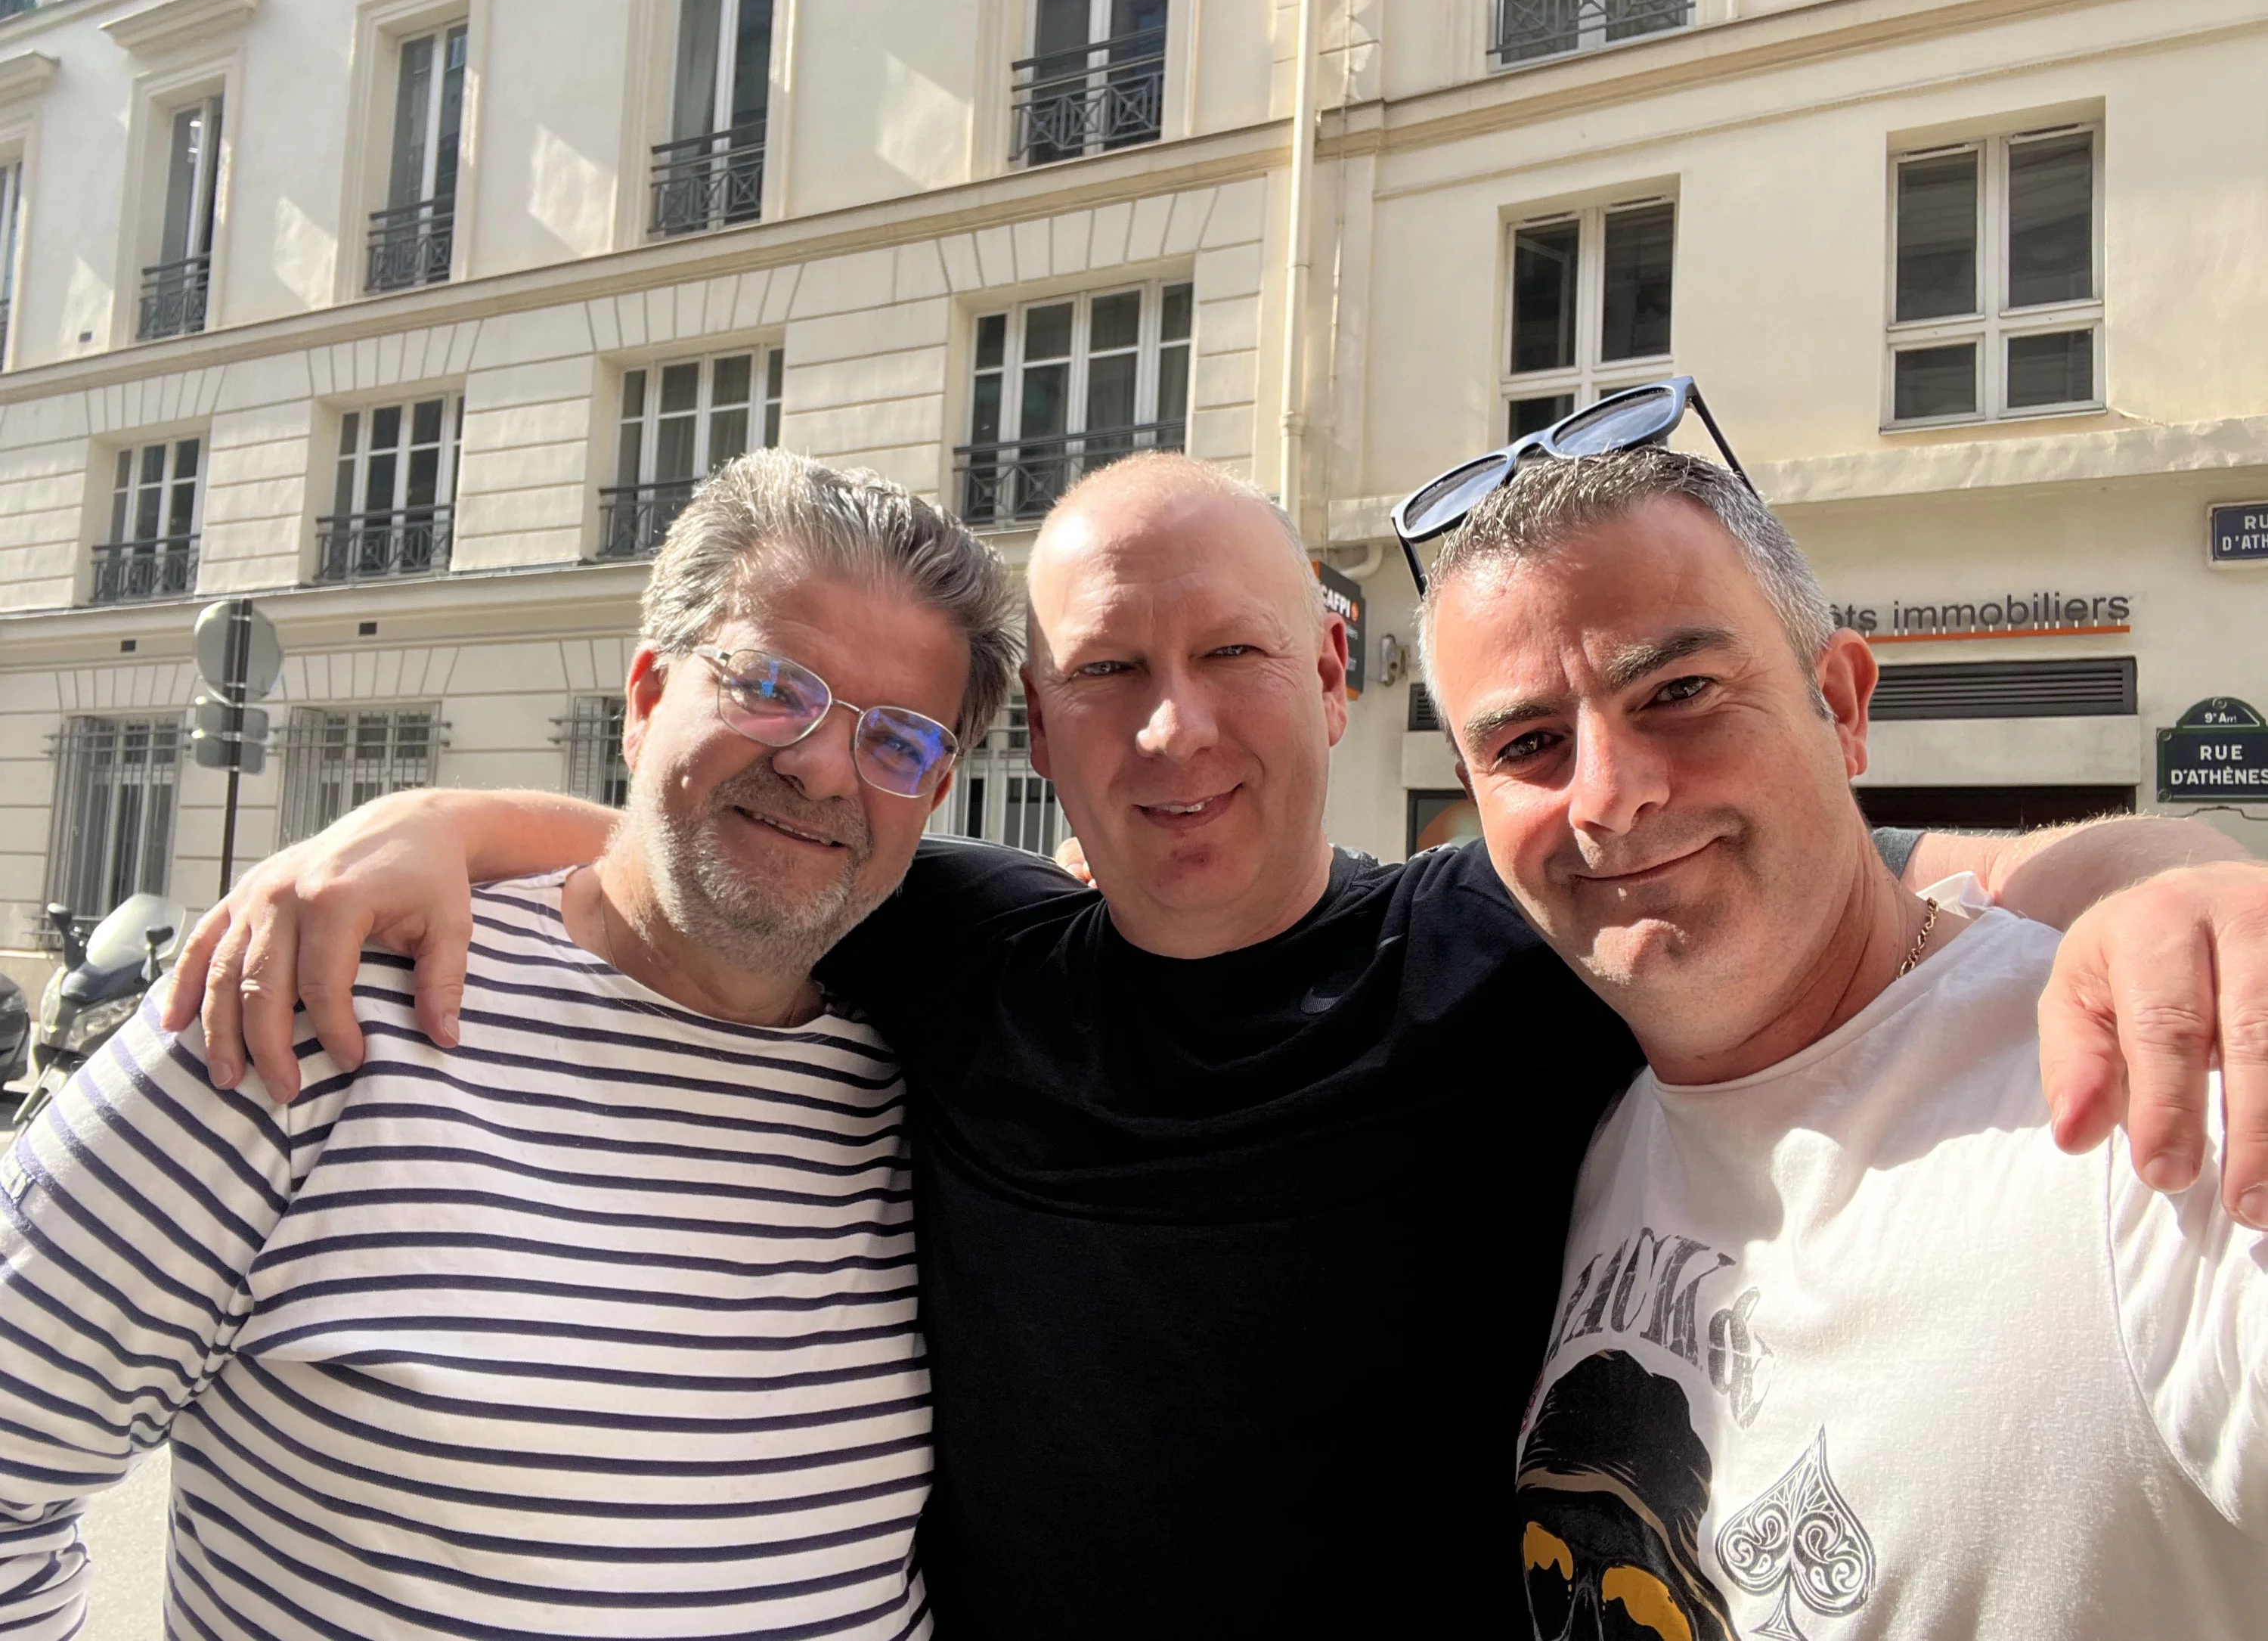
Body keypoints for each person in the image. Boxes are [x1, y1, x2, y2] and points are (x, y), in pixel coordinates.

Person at [166, 452, 2268, 1638]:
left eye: (1233, 653)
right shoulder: (958, 950)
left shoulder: (1525, 929)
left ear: (1334, 670)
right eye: (1108, 674)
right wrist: (414, 821)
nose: (1173, 730)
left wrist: (2191, 875)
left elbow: (1906, 879)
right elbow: (728, 835)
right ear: (1035, 727)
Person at [0, 452, 1018, 1639]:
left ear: (934, 792)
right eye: (772, 685)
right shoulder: (314, 1005)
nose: (822, 763)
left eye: (898, 741)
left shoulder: (942, 1091)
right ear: (647, 698)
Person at [1418, 448, 2266, 1638]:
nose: (1608, 795)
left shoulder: (2143, 1107)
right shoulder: (1594, 1128)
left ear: (1844, 703)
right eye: (1527, 746)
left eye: (1679, 691)